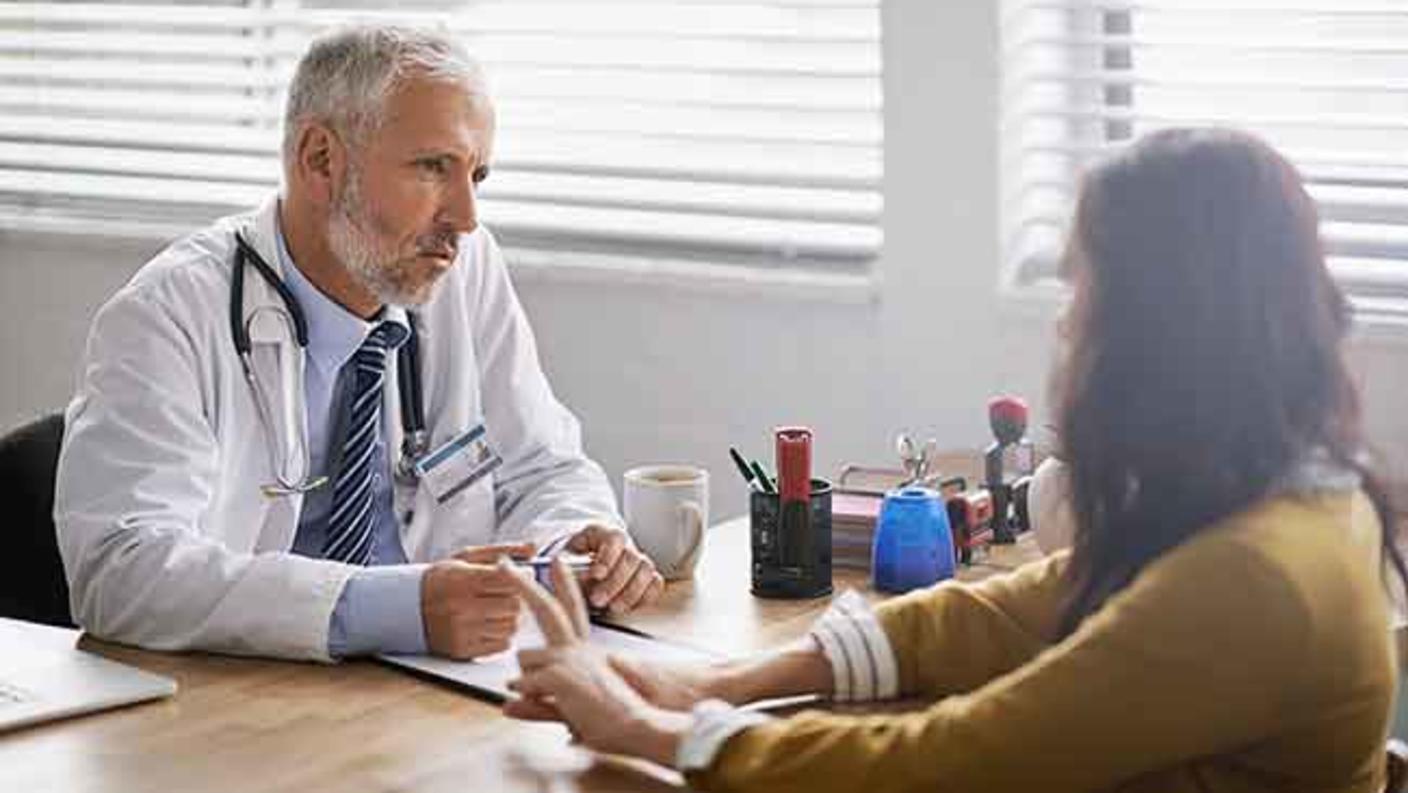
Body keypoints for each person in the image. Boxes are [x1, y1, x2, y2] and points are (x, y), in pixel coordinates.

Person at [501, 128, 1408, 793]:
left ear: (1157, 324)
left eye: (1082, 284)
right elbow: (1019, 609)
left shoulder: (1252, 576)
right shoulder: (1294, 502)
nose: (1065, 318)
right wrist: (723, 679)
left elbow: (952, 761)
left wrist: (655, 730)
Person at [53, 26, 661, 663]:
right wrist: (396, 608)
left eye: (476, 175)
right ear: (320, 160)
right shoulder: (166, 316)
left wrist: (573, 542)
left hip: (438, 688)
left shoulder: (463, 268)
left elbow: (540, 465)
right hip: (248, 699)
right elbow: (120, 570)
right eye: (433, 168)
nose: (466, 217)